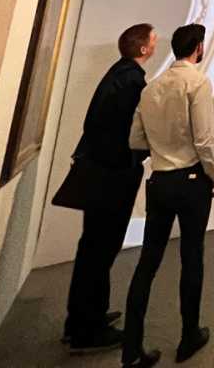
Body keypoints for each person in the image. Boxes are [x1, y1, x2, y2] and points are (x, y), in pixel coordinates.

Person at [122, 24, 214, 368]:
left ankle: (132, 350)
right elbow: (204, 141)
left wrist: (164, 148)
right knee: (191, 256)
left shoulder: (152, 87)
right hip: (192, 181)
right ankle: (189, 336)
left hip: (160, 181)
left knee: (147, 263)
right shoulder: (197, 83)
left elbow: (136, 140)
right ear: (198, 48)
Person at [61, 23, 156, 354]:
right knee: (100, 251)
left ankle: (82, 320)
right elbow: (129, 133)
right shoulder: (131, 80)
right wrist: (142, 156)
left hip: (99, 173)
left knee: (92, 250)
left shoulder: (118, 73)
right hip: (109, 177)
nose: (156, 45)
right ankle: (88, 330)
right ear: (143, 49)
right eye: (153, 41)